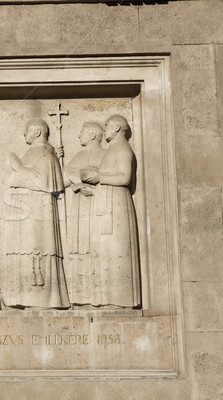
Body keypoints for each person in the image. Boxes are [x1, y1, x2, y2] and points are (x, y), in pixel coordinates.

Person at [4, 118, 70, 309]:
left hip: (38, 214)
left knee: (37, 248)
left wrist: (18, 169)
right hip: (26, 211)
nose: (24, 134)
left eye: (27, 130)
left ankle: (41, 300)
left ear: (38, 132)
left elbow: (44, 182)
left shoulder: (44, 154)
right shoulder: (34, 152)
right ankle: (25, 298)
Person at [80, 115, 141, 308]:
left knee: (116, 250)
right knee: (105, 250)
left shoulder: (123, 149)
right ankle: (106, 298)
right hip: (107, 204)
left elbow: (124, 177)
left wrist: (99, 177)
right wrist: (94, 189)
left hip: (117, 207)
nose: (104, 129)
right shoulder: (113, 149)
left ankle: (119, 300)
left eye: (106, 126)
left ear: (116, 128)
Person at [62, 122, 107, 305]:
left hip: (98, 206)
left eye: (82, 132)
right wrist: (70, 174)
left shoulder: (106, 155)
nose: (78, 136)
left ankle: (100, 295)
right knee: (80, 246)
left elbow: (105, 176)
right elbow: (64, 179)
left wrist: (81, 176)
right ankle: (81, 296)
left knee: (97, 248)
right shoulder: (79, 155)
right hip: (80, 206)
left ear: (93, 135)